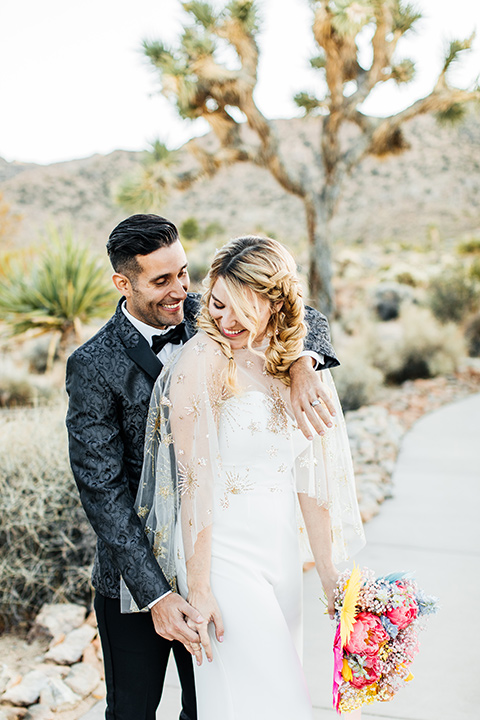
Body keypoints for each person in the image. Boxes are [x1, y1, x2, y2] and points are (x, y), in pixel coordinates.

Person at [65, 215, 341, 720]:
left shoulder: (214, 310)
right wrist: (157, 597)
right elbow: (103, 491)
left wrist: (302, 364)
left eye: (184, 273)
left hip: (220, 562)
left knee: (215, 706)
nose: (180, 291)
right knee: (131, 712)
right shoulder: (93, 364)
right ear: (123, 284)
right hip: (138, 579)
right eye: (162, 281)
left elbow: (302, 315)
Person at [126, 235, 366, 720]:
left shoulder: (294, 363)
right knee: (273, 705)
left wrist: (329, 575)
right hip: (224, 561)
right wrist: (201, 588)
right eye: (217, 304)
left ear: (274, 307)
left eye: (244, 310)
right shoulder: (201, 362)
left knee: (279, 699)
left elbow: (309, 478)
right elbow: (193, 486)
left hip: (280, 558)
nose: (226, 322)